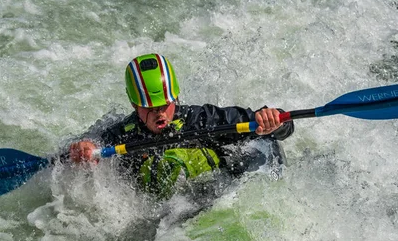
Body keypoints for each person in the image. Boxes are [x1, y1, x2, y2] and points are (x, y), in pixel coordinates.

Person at [68, 53, 294, 199]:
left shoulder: (201, 119)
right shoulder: (124, 132)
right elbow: (91, 143)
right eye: (150, 107)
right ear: (134, 104)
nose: (160, 114)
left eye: (165, 105)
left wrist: (271, 121)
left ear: (175, 97)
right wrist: (85, 148)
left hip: (211, 190)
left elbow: (285, 126)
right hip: (166, 207)